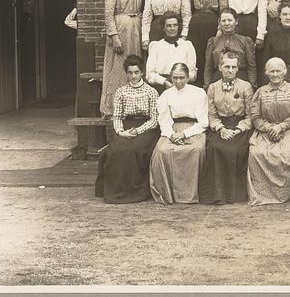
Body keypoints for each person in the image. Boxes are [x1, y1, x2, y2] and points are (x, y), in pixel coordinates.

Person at [95, 54, 159, 203]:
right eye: (130, 72)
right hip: (125, 127)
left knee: (134, 150)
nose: (133, 76)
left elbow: (154, 119)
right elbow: (117, 117)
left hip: (146, 129)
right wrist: (121, 132)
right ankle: (115, 191)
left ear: (142, 72)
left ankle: (135, 191)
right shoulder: (121, 92)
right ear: (126, 73)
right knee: (114, 151)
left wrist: (138, 131)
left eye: (136, 72)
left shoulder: (151, 92)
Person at [247, 57, 290, 206]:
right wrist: (269, 127)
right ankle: (262, 195)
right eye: (271, 71)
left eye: (278, 71)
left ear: (285, 72)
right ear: (266, 73)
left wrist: (282, 126)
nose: (275, 74)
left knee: (287, 154)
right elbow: (255, 117)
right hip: (266, 131)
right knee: (257, 153)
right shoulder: (261, 92)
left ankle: (285, 194)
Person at [149, 62, 210, 204]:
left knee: (196, 150)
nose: (178, 81)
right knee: (162, 150)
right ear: (171, 78)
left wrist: (184, 134)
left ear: (188, 78)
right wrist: (171, 135)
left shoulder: (198, 93)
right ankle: (169, 193)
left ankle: (189, 193)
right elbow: (164, 120)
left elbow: (203, 122)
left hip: (194, 128)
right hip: (173, 128)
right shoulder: (166, 95)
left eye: (182, 78)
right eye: (175, 78)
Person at [200, 52, 255, 204]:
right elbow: (211, 114)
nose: (230, 70)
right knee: (215, 147)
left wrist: (238, 129)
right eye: (226, 66)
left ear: (238, 69)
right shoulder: (212, 88)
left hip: (240, 127)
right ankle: (217, 194)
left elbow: (251, 115)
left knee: (235, 149)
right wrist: (221, 129)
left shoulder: (246, 86)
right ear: (220, 67)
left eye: (234, 67)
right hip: (220, 126)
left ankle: (234, 195)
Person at [100, 0, 147, 117]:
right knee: (120, 68)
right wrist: (114, 36)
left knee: (137, 65)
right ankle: (115, 107)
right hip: (121, 29)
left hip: (137, 27)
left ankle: (135, 107)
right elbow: (108, 14)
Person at [188, 0, 229, 87]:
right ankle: (198, 85)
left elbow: (224, 7)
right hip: (196, 23)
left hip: (212, 22)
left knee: (211, 55)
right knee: (197, 55)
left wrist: (220, 28)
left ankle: (212, 85)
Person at [203, 8, 257, 89]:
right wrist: (207, 86)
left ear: (236, 21)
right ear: (219, 22)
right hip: (218, 81)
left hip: (241, 80)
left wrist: (252, 86)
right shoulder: (213, 42)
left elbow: (251, 66)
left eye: (230, 20)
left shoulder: (245, 41)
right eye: (223, 21)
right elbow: (208, 67)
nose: (226, 23)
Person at [145, 13, 198, 92]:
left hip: (183, 86)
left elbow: (193, 72)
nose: (172, 28)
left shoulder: (187, 45)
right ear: (163, 28)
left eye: (175, 25)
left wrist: (180, 80)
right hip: (162, 87)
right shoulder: (156, 46)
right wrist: (164, 81)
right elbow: (149, 74)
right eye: (169, 25)